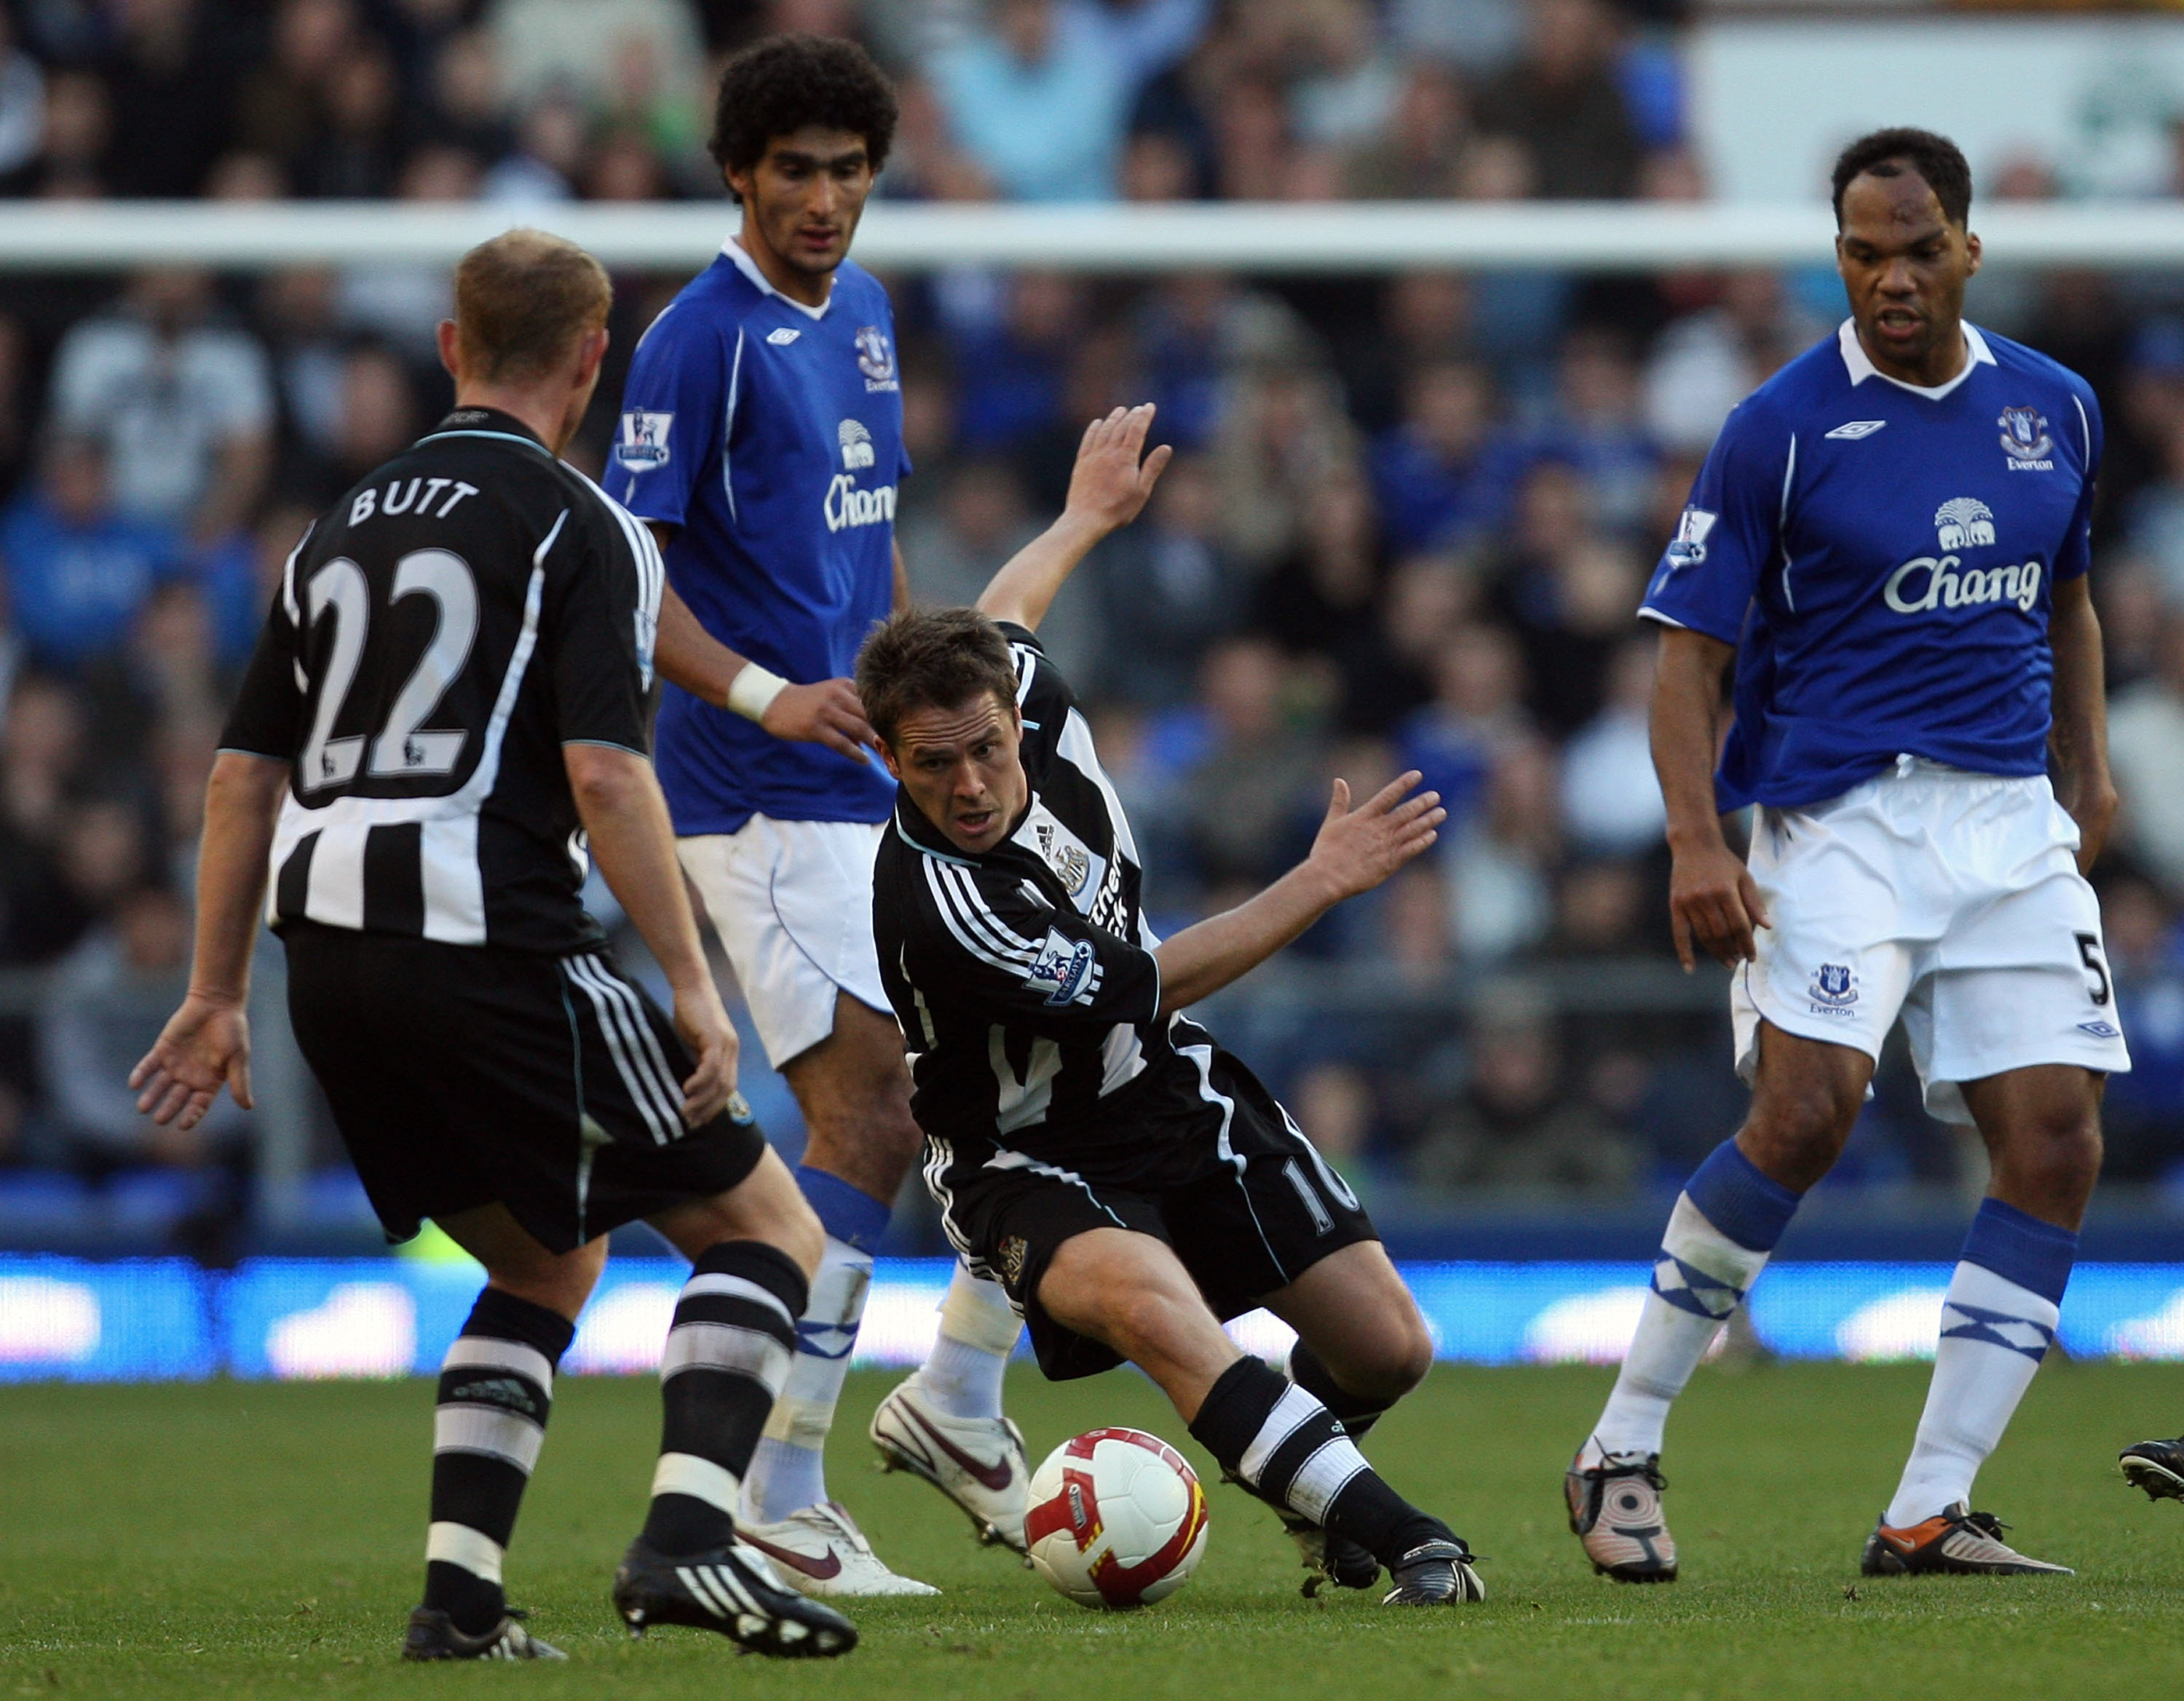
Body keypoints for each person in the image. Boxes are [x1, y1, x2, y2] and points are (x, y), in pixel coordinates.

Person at [130, 229, 857, 1662]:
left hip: (326, 956)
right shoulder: (577, 522)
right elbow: (606, 772)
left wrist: (217, 993)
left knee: (547, 1260)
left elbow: (236, 780)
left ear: (452, 347)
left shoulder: (332, 529)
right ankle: (690, 1544)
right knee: (774, 1228)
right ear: (592, 362)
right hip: (489, 936)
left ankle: (458, 1605)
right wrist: (696, 986)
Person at [1567, 128, 2126, 1583]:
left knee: (2058, 1138)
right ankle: (1622, 1439)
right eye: (1864, 252)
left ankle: (1929, 1507)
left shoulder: (2054, 407)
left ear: (1969, 250)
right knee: (1808, 1112)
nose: (1890, 277)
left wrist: (2095, 762)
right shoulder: (1782, 424)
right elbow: (1687, 659)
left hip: (2007, 818)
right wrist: (1697, 833)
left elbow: (2066, 595)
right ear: (1839, 257)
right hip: (1841, 816)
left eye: (1917, 248)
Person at [864, 403, 1484, 1608]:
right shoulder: (940, 898)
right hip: (1024, 1153)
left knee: (1389, 1346)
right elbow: (1152, 983)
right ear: (890, 758)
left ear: (1012, 709)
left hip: (1163, 1087)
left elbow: (1010, 605)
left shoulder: (1017, 683)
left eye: (984, 748)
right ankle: (1410, 1539)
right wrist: (1321, 879)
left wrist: (1083, 517)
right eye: (931, 764)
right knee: (1161, 1309)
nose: (969, 783)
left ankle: (1310, 1479)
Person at [604, 34, 1029, 1595]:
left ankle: (936, 1410)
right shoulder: (696, 341)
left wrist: (922, 706)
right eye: (797, 170)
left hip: (860, 779)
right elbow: (626, 576)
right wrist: (765, 693)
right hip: (750, 793)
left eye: (851, 172)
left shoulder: (862, 312)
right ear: (738, 172)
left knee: (966, 1081)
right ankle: (780, 1484)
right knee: (870, 1110)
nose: (827, 201)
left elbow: (869, 537)